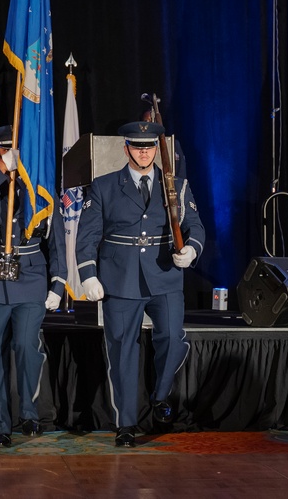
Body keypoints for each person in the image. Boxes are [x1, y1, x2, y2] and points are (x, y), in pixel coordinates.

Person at [75, 120, 205, 448]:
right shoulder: (103, 186)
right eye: (138, 147)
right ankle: (127, 423)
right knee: (122, 351)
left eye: (149, 147)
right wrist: (88, 274)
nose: (144, 152)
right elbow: (87, 234)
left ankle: (161, 395)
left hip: (165, 275)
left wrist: (191, 250)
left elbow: (195, 226)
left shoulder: (176, 185)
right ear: (126, 149)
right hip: (120, 279)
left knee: (174, 339)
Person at [0, 125, 67, 448]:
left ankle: (29, 411)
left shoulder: (39, 186)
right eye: (3, 149)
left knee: (26, 348)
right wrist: (0, 170)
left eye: (14, 149)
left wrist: (58, 283)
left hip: (31, 276)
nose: (9, 154)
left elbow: (57, 238)